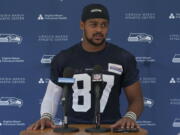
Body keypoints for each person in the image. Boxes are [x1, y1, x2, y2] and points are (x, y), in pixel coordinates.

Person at [27, 3, 144, 130]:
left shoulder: (123, 58)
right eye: (93, 24)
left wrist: (130, 117)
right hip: (73, 129)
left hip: (110, 129)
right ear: (82, 25)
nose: (99, 30)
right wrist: (46, 116)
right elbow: (52, 96)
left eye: (103, 25)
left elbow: (136, 99)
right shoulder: (64, 58)